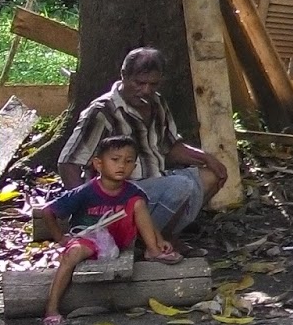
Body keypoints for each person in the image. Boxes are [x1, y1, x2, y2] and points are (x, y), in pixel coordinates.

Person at [58, 47, 228, 254]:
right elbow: (68, 161)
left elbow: (171, 147)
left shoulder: (157, 103)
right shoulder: (102, 111)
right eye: (139, 83)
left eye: (153, 84)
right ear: (124, 76)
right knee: (181, 187)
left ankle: (165, 236)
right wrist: (82, 208)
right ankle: (148, 244)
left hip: (155, 183)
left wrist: (207, 158)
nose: (146, 90)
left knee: (212, 176)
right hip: (119, 196)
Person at [35, 135, 180, 325]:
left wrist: (159, 240)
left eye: (128, 161)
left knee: (137, 203)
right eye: (115, 160)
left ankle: (153, 251)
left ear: (134, 166)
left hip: (119, 238)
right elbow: (48, 211)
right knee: (71, 255)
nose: (122, 166)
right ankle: (51, 310)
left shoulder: (133, 192)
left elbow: (147, 219)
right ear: (98, 164)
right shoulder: (86, 192)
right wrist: (61, 239)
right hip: (89, 238)